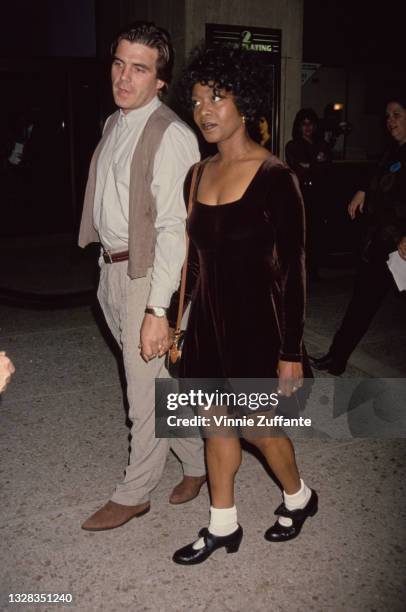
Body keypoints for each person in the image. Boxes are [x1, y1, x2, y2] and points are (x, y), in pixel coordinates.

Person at [167, 46, 317, 565]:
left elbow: (295, 272)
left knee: (259, 429)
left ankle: (299, 498)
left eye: (217, 97)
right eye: (196, 99)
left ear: (244, 104)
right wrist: (175, 321)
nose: (205, 110)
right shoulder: (196, 175)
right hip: (209, 326)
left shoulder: (277, 179)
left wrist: (291, 350)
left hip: (259, 328)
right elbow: (196, 264)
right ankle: (223, 525)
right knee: (215, 424)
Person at [78, 22, 205, 531]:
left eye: (139, 69)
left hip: (149, 275)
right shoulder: (114, 123)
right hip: (112, 268)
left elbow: (177, 230)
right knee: (162, 382)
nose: (124, 77)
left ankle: (135, 493)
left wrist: (158, 309)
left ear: (160, 81)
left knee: (143, 392)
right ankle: (198, 463)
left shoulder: (171, 134)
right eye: (118, 64)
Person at [310, 95, 406, 375]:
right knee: (361, 303)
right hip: (382, 242)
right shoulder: (393, 152)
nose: (391, 121)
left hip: (400, 244)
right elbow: (377, 177)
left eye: (397, 114)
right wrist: (363, 190)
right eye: (388, 116)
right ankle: (337, 358)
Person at [285, 108, 331, 279]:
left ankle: (314, 270)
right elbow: (299, 169)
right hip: (301, 194)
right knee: (301, 233)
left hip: (320, 194)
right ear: (298, 126)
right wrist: (315, 163)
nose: (307, 127)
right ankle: (300, 270)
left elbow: (326, 169)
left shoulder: (322, 145)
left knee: (318, 232)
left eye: (310, 123)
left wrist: (310, 165)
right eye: (303, 124)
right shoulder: (292, 146)